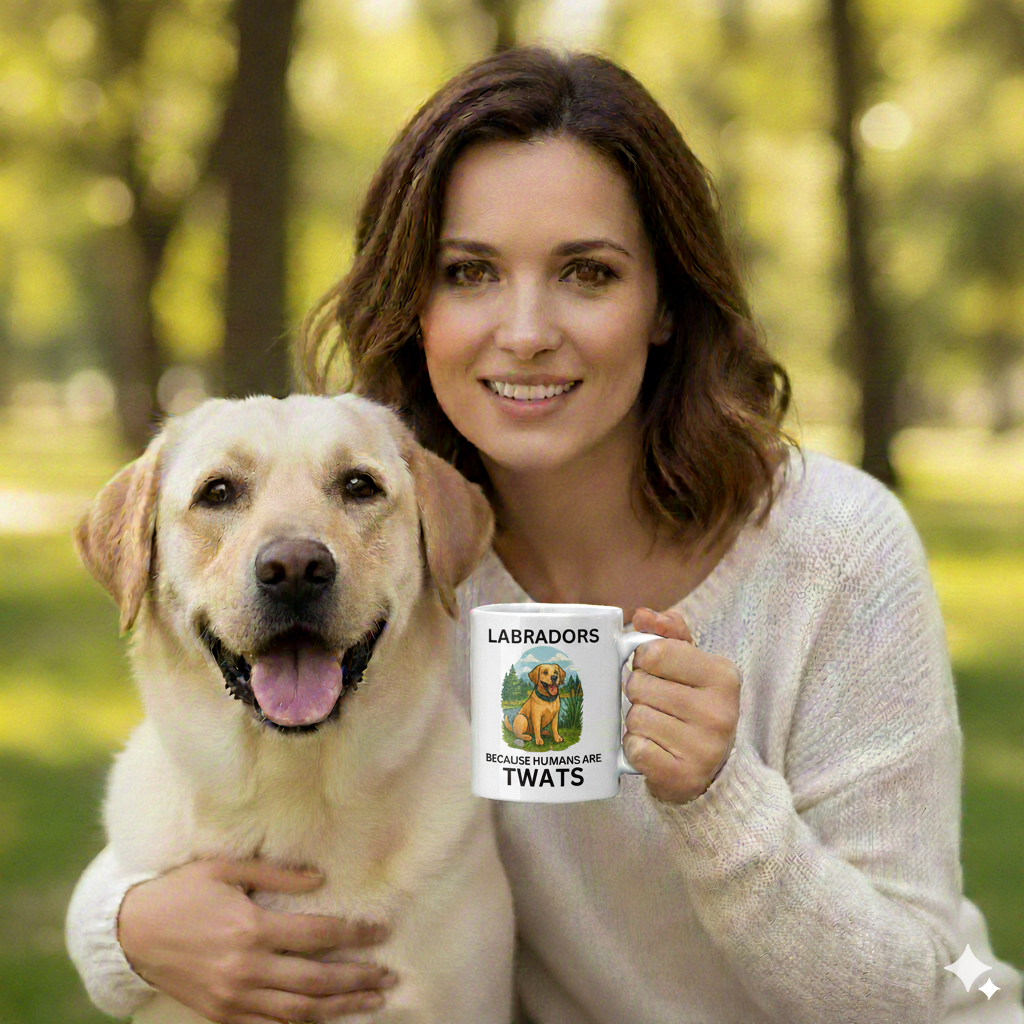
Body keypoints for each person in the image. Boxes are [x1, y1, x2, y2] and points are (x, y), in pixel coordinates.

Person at [67, 47, 1023, 1024]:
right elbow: (184, 800)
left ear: (662, 304)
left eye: (587, 272)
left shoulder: (835, 549)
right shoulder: (393, 549)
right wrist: (124, 928)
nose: (525, 330)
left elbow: (931, 979)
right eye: (469, 271)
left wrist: (717, 800)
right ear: (417, 306)